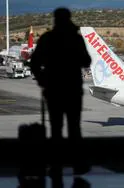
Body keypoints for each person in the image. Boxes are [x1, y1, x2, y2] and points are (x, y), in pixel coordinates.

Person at [30, 7, 91, 176]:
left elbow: (34, 63)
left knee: (56, 129)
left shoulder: (47, 39)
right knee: (74, 128)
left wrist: (42, 79)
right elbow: (86, 61)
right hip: (72, 90)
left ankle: (56, 165)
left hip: (53, 89)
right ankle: (77, 163)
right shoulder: (75, 39)